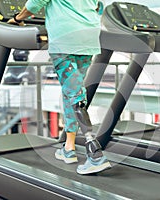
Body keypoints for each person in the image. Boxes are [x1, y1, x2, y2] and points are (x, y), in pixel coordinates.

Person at [8, 0, 111, 175]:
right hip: (88, 38)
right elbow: (99, 6)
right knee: (72, 92)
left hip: (65, 39)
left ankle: (94, 153)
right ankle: (68, 148)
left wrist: (17, 18)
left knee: (75, 95)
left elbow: (35, 3)